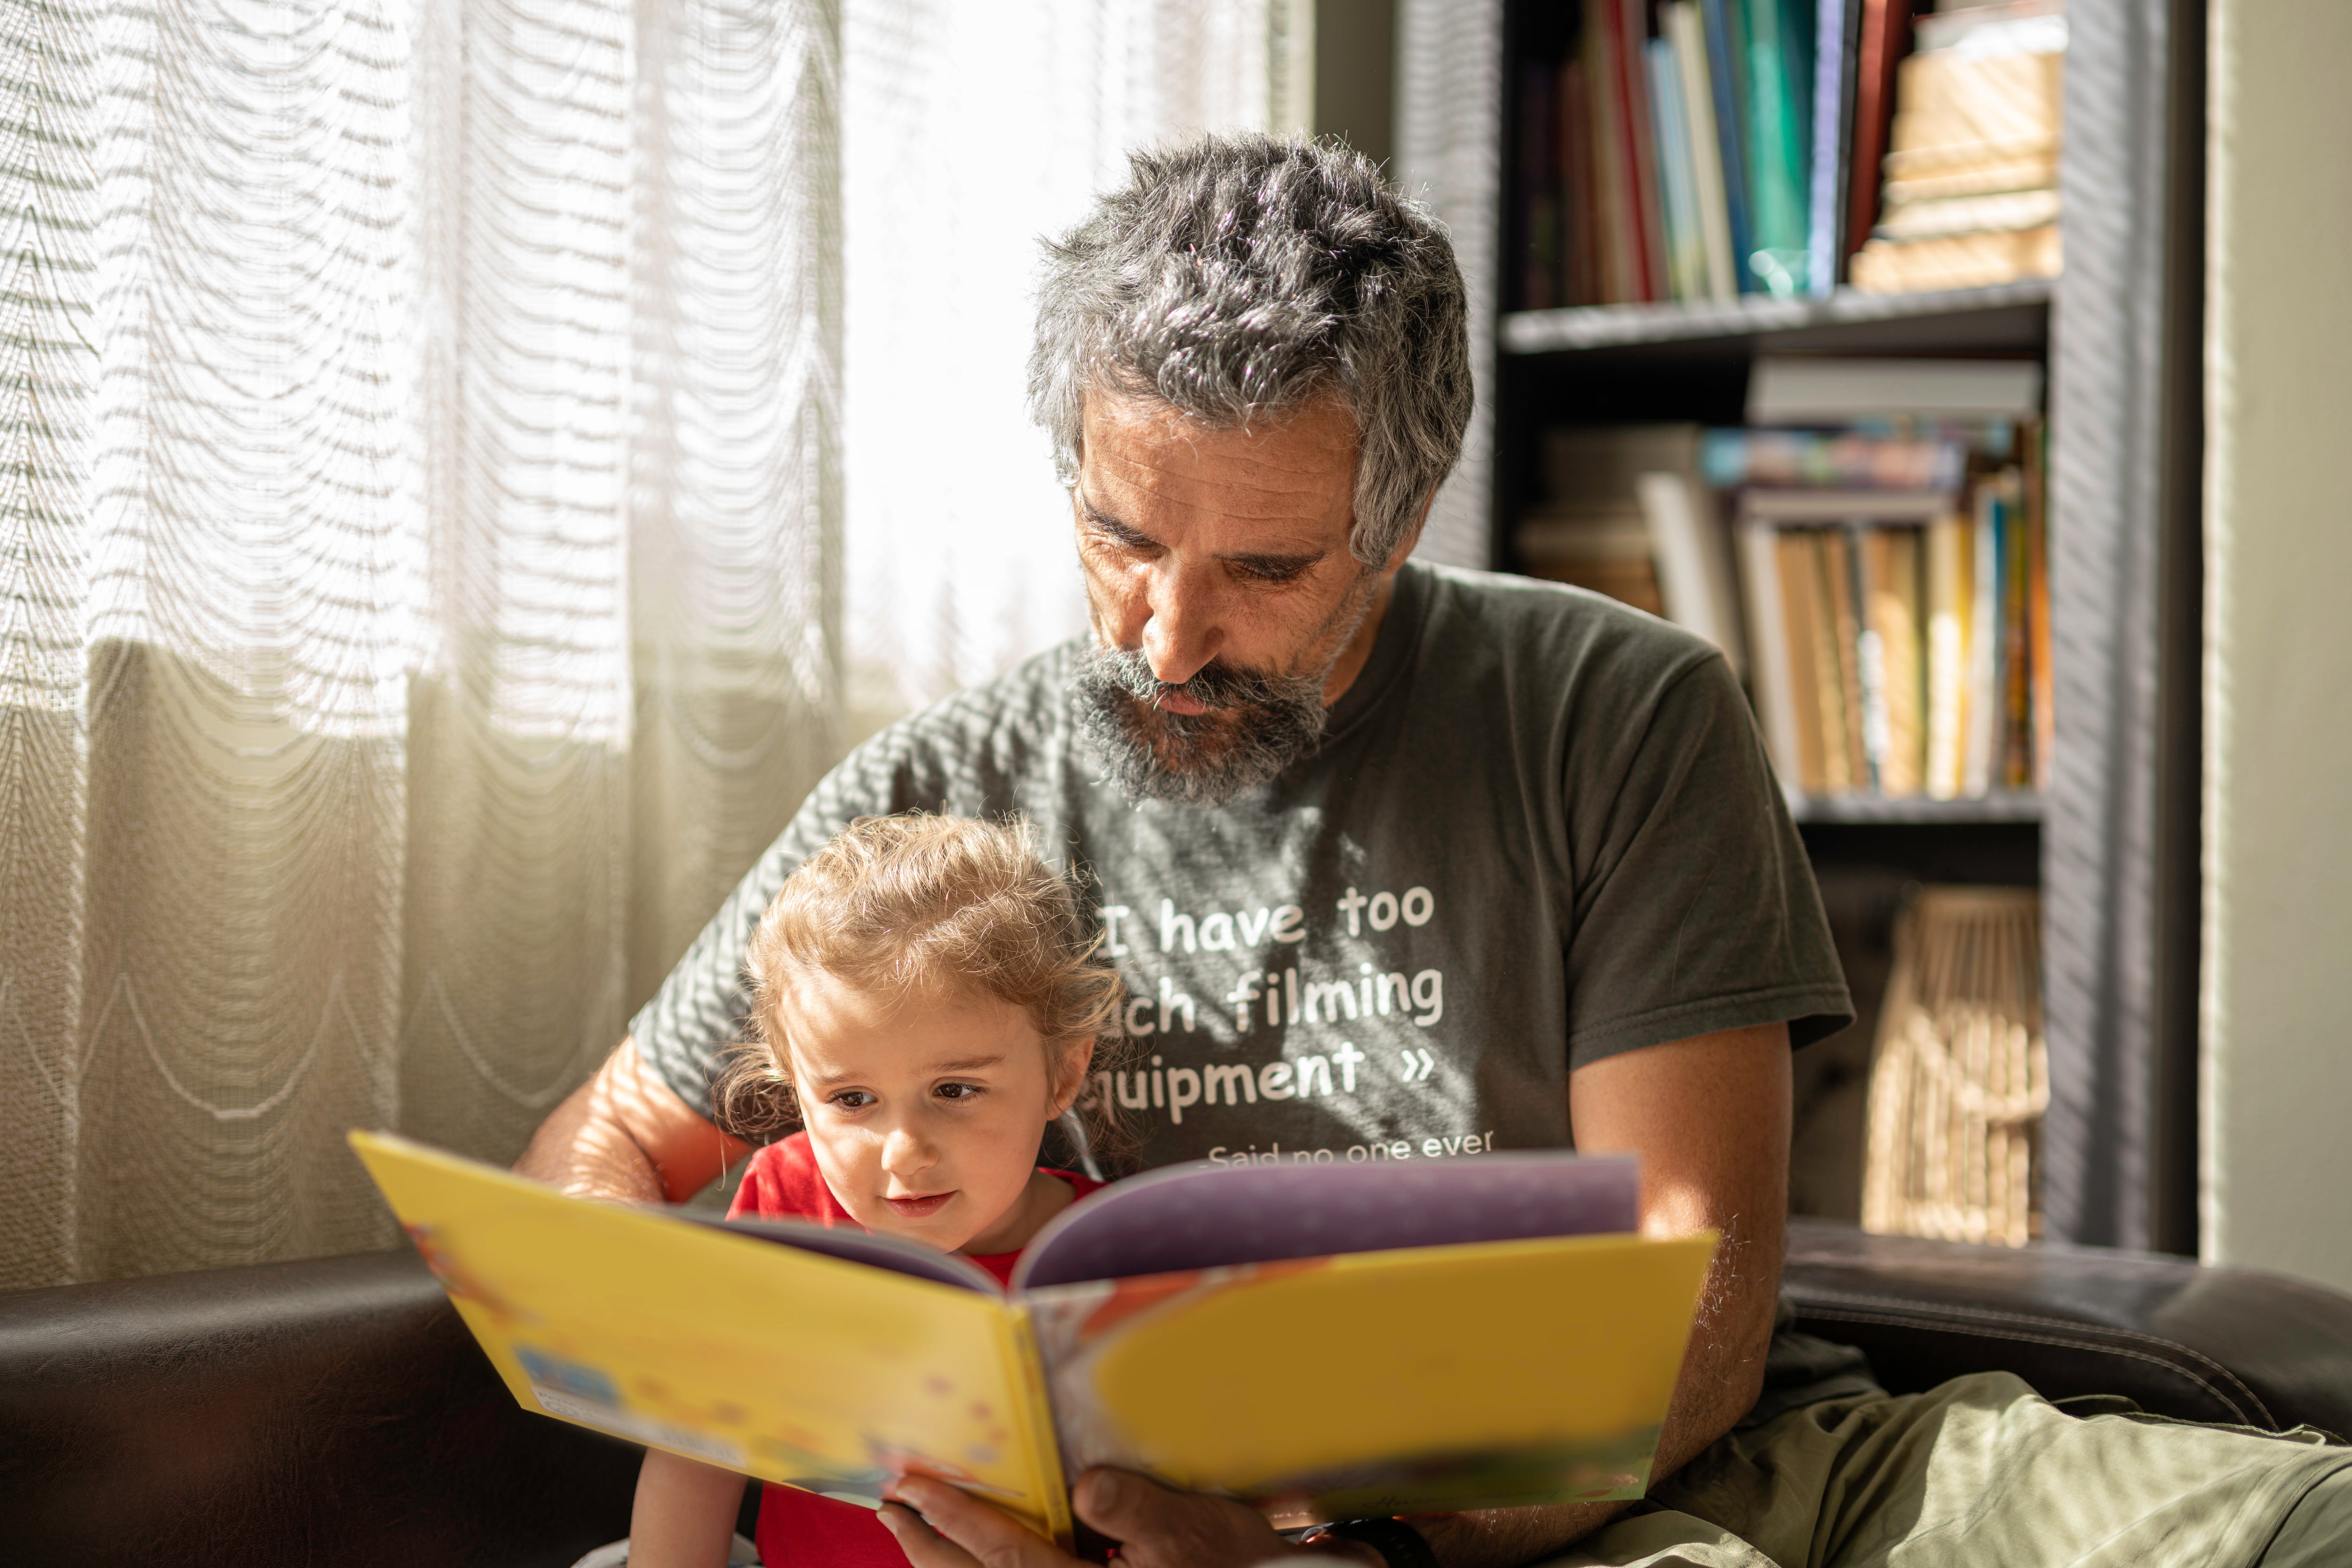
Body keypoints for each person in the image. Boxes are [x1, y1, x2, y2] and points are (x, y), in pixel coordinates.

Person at [526, 134, 2350, 1567]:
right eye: (1117, 535)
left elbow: (1690, 1302)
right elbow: (607, 1145)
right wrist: (751, 1357)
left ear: (1396, 519)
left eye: (1259, 567)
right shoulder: (940, 795)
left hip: (1731, 1466)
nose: (1163, 634)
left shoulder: (1612, 708)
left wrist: (1361, 1540)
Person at [625, 814, 1124, 1568]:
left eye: (955, 1089)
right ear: (796, 1087)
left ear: (1063, 1073)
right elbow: (699, 1449)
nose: (905, 1152)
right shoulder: (786, 1201)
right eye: (852, 1100)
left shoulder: (1115, 1250)